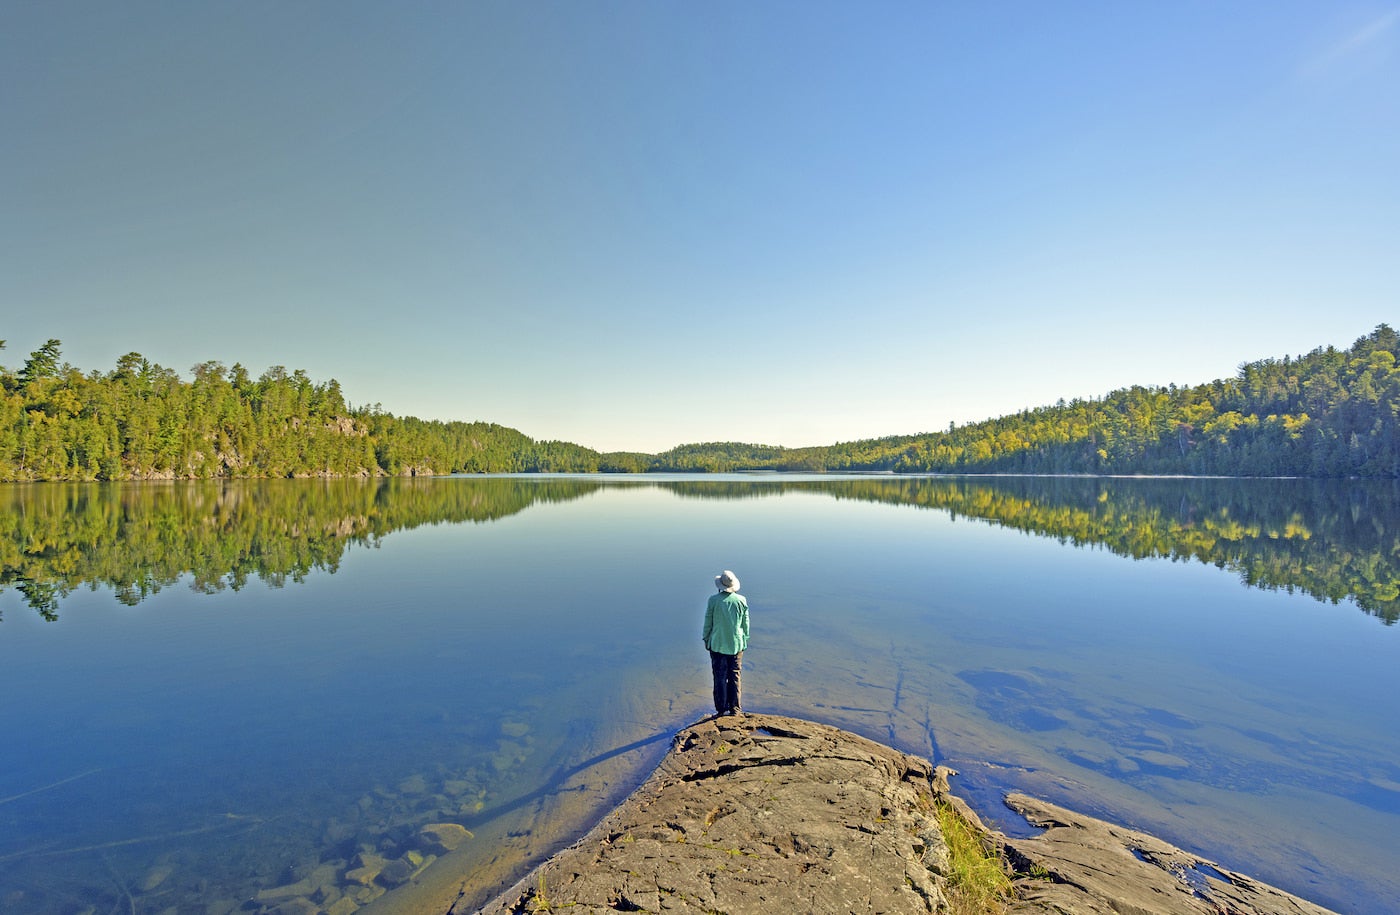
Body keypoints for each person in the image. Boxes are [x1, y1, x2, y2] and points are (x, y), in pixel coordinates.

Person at [703, 569, 749, 717]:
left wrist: (706, 639)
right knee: (735, 676)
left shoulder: (713, 600)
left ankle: (721, 709)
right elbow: (745, 624)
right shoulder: (741, 600)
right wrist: (745, 640)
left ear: (720, 586)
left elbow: (708, 622)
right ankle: (735, 709)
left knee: (719, 676)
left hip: (717, 644)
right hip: (736, 645)